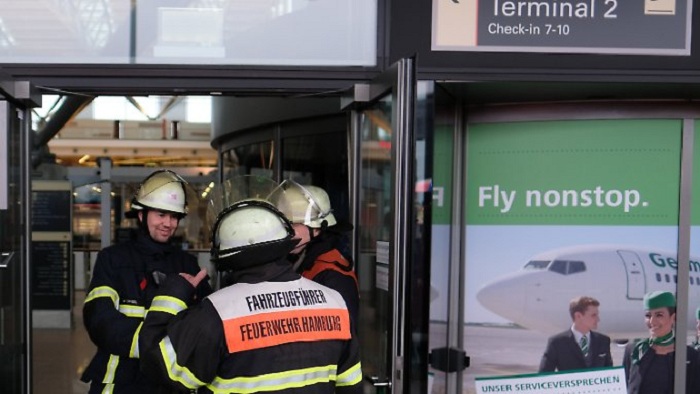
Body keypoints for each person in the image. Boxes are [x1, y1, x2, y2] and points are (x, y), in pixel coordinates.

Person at [139, 199, 363, 393]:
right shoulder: (335, 303)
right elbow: (351, 384)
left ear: (228, 256)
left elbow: (161, 366)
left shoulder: (217, 313)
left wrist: (172, 294)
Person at [81, 169, 213, 393]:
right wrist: (154, 345)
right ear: (141, 215)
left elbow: (204, 328)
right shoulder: (113, 259)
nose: (168, 223)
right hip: (120, 382)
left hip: (169, 380)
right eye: (161, 214)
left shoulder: (188, 265)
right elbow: (99, 320)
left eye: (174, 216)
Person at [268, 180, 359, 330]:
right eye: (283, 225)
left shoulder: (333, 276)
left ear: (316, 229)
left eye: (292, 225)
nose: (285, 232)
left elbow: (342, 335)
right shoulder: (301, 260)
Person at [623, 291, 700, 394]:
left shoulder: (691, 356)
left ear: (673, 317)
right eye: (648, 315)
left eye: (659, 315)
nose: (652, 321)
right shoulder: (635, 351)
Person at [538, 296, 613, 372]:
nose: (598, 319)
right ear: (578, 316)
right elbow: (544, 374)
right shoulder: (557, 343)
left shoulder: (603, 341)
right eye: (593, 315)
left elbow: (610, 373)